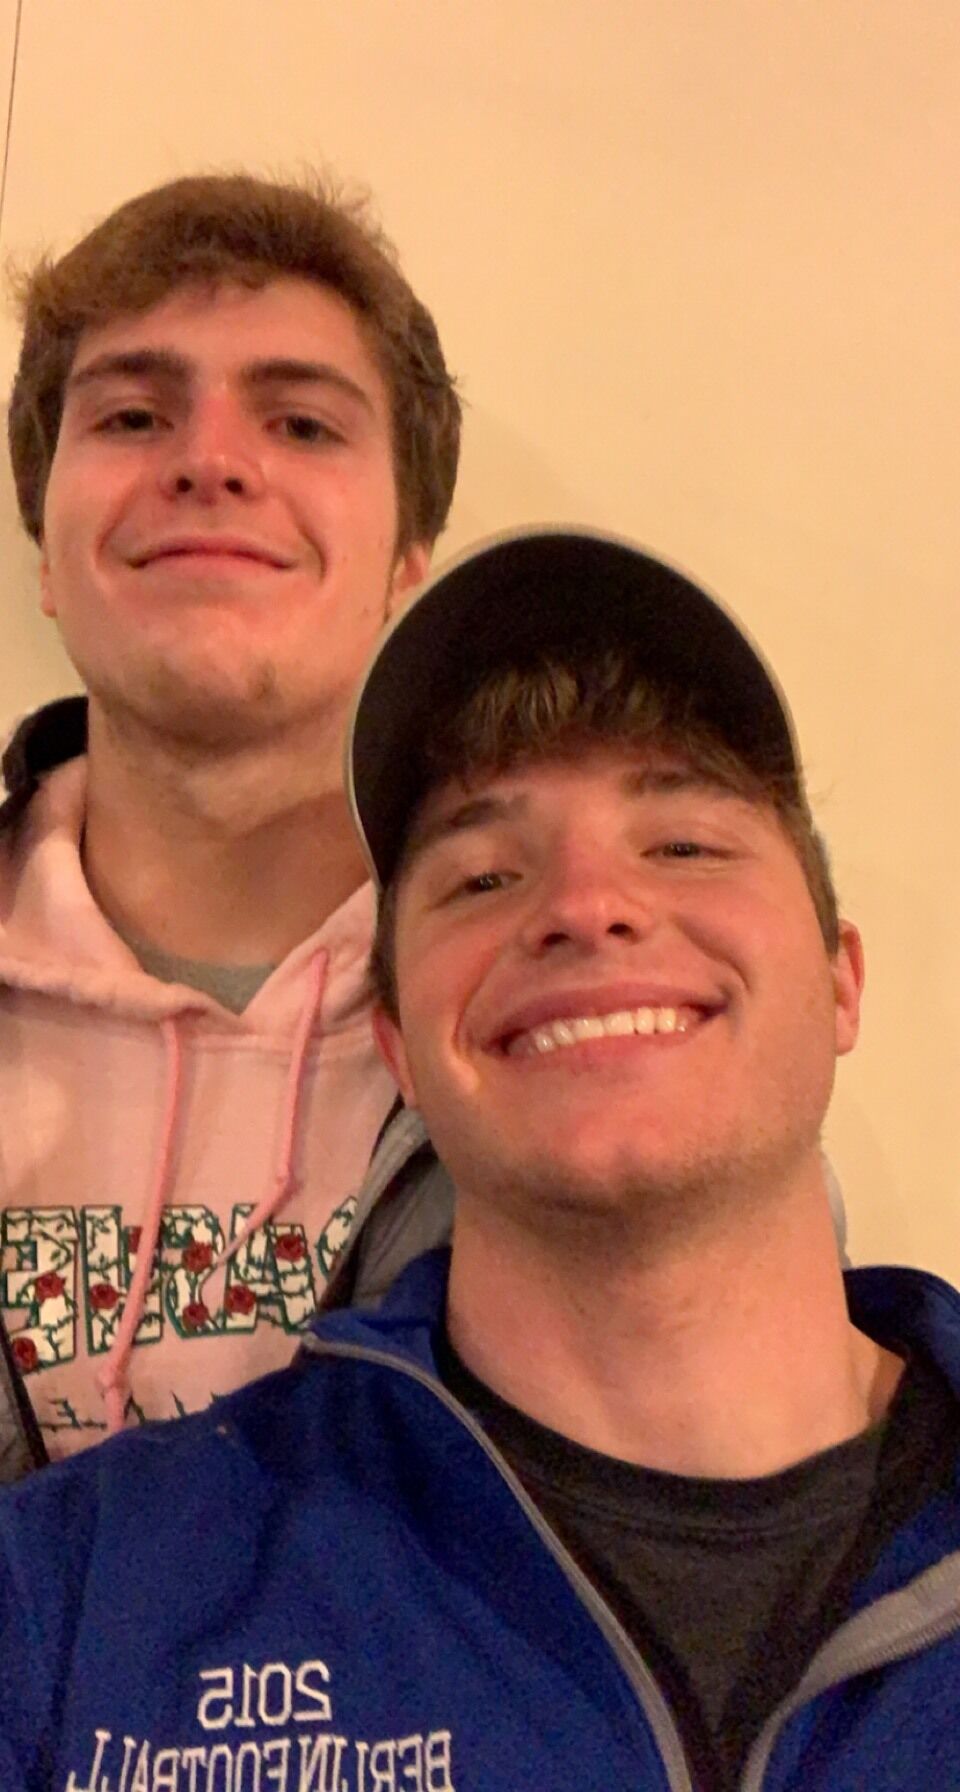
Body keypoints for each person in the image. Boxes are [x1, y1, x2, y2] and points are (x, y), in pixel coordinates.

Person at [2, 527, 958, 1792]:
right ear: (399, 1045)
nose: (585, 904)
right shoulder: (70, 1595)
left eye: (684, 844)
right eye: (484, 875)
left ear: (841, 980)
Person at [0, 171, 460, 1471]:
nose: (210, 461)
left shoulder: (567, 1006)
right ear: (44, 550)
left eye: (303, 424)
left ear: (407, 561)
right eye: (134, 415)